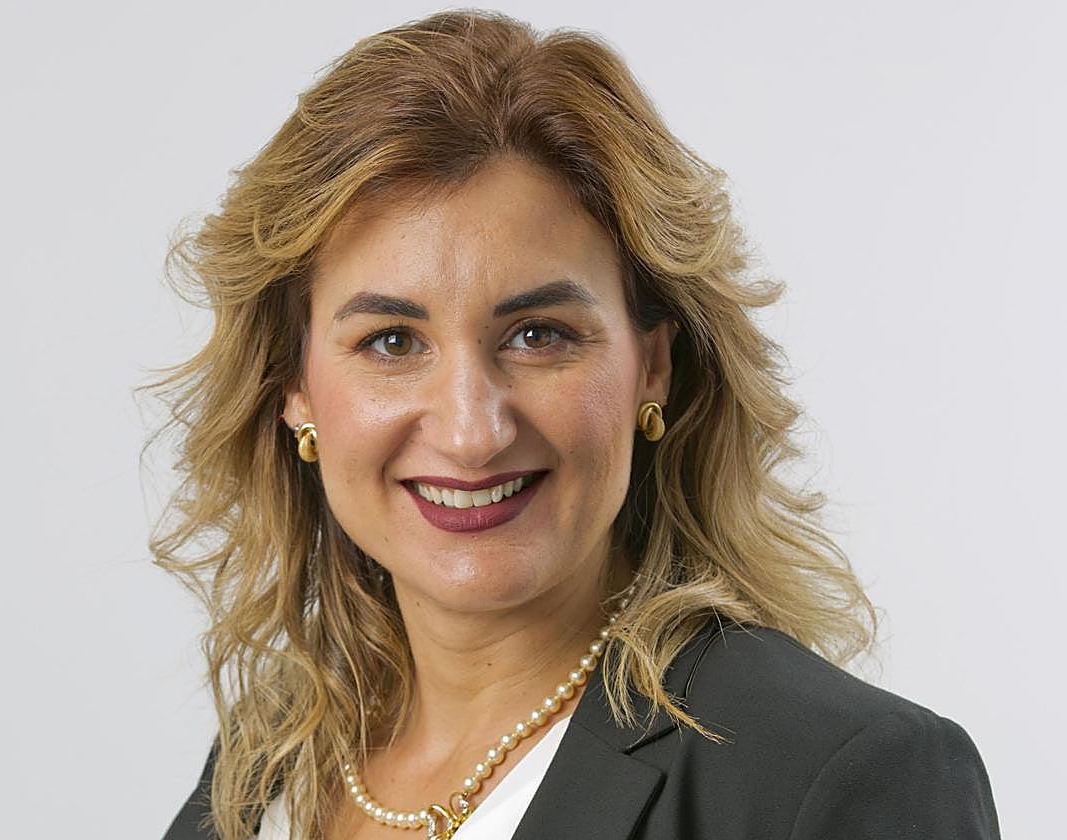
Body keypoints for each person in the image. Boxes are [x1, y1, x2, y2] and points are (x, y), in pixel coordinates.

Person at [155, 9, 1001, 840]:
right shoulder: (267, 764)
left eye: (538, 335)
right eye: (391, 341)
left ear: (652, 366)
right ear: (293, 387)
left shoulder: (831, 774)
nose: (471, 432)